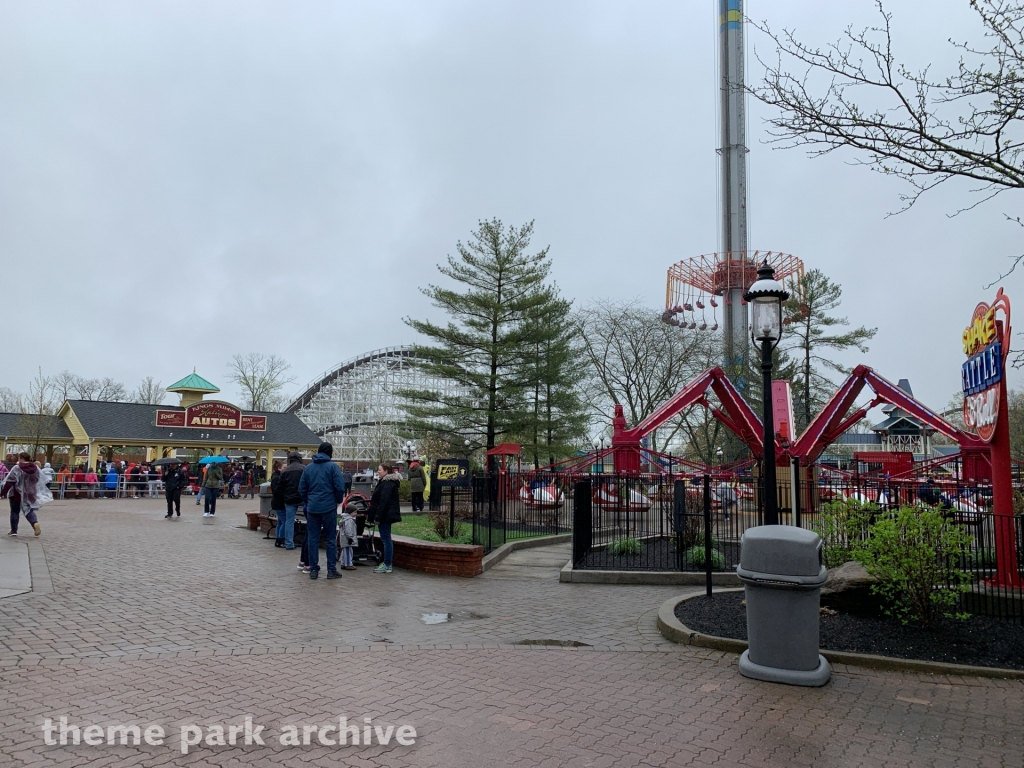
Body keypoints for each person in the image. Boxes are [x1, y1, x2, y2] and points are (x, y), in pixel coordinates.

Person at [297, 442, 346, 580]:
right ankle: (331, 570)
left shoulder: (308, 468)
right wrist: (337, 500)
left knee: (313, 539)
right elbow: (339, 487)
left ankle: (313, 569)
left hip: (312, 508)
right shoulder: (333, 467)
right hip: (329, 507)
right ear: (330, 452)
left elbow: (301, 489)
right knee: (330, 539)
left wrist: (308, 501)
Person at [366, 463, 402, 574]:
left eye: (380, 470)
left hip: (385, 516)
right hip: (386, 515)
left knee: (386, 539)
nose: (378, 471)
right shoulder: (387, 482)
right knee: (386, 538)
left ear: (386, 471)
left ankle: (387, 564)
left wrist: (377, 516)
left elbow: (384, 502)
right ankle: (387, 564)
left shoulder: (387, 484)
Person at [2, 452, 44, 537]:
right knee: (28, 509)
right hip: (30, 492)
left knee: (14, 511)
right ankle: (34, 523)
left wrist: (3, 492)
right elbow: (38, 479)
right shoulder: (35, 468)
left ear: (21, 458)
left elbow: (10, 481)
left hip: (16, 493)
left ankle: (14, 531)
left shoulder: (17, 468)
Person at [278, 452, 305, 551]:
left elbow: (280, 487)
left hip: (289, 500)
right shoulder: (304, 469)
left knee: (289, 521)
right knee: (311, 519)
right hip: (302, 498)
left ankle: (289, 543)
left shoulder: (285, 471)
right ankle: (308, 542)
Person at [270, 461, 286, 547]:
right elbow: (277, 491)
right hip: (279, 502)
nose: (286, 469)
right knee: (284, 521)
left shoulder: (276, 477)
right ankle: (280, 539)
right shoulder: (277, 478)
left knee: (280, 521)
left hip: (277, 502)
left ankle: (278, 539)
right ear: (279, 468)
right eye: (284, 467)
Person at [338, 505, 358, 570]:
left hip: (345, 538)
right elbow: (348, 529)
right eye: (355, 512)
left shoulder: (344, 519)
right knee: (348, 551)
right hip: (347, 538)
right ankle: (348, 564)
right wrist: (350, 537)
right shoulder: (349, 520)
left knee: (345, 551)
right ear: (350, 512)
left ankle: (343, 563)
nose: (356, 514)